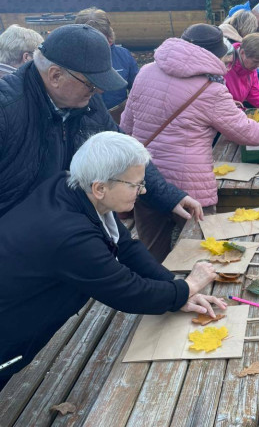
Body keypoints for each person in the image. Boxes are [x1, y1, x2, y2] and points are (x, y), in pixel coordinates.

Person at [0, 132, 226, 392]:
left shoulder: (73, 188)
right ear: (100, 187)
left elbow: (125, 247)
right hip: (9, 327)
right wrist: (187, 287)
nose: (143, 190)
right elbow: (128, 293)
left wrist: (174, 286)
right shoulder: (69, 235)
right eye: (135, 185)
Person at [121, 24, 259, 260]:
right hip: (188, 184)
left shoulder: (147, 71)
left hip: (143, 176)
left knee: (152, 253)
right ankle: (195, 295)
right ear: (213, 54)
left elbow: (126, 126)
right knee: (199, 253)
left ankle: (159, 293)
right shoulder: (211, 89)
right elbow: (250, 134)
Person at [0, 24, 201, 224]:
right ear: (55, 76)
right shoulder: (6, 110)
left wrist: (169, 196)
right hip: (16, 240)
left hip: (67, 225)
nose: (99, 91)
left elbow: (123, 153)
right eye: (91, 83)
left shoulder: (86, 101)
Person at [75, 8, 139, 119]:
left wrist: (124, 108)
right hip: (81, 119)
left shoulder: (123, 55)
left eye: (100, 36)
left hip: (116, 119)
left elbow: (137, 90)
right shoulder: (70, 58)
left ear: (108, 33)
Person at [225, 33, 259, 108]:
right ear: (242, 53)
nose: (258, 66)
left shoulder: (250, 69)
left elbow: (255, 94)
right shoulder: (226, 66)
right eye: (255, 61)